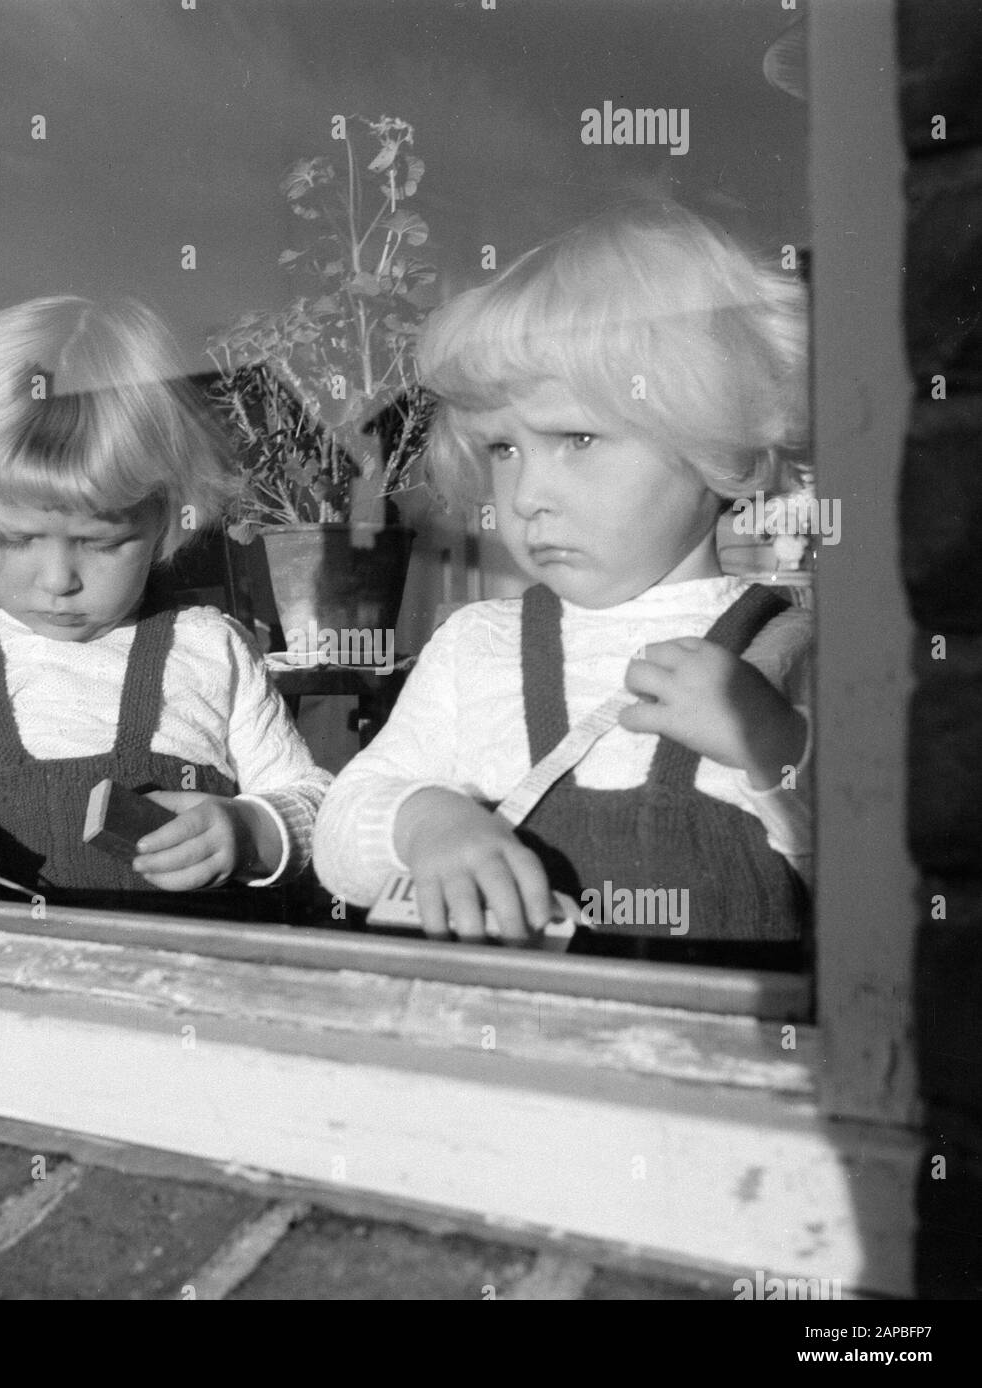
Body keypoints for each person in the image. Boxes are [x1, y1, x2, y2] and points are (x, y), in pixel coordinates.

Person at [313, 204, 812, 946]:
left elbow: (889, 878)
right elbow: (345, 822)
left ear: (715, 443)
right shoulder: (478, 645)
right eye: (503, 451)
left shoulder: (796, 652)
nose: (527, 496)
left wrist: (777, 750)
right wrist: (428, 825)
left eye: (577, 438)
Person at [0, 296, 330, 900]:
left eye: (101, 543)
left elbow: (311, 800)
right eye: (18, 539)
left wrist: (251, 829)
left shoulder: (211, 646)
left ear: (163, 520)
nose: (57, 580)